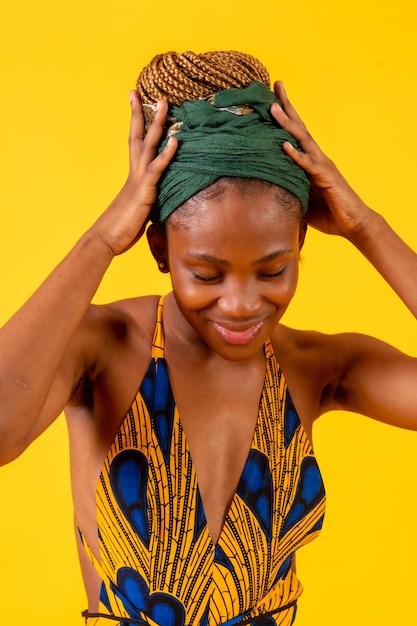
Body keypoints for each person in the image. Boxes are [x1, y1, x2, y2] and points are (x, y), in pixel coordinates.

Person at [0, 50, 416, 626]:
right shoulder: (104, 348)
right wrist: (100, 240)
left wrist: (365, 225)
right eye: (207, 274)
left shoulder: (314, 366)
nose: (243, 304)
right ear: (160, 251)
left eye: (273, 271)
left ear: (302, 246)